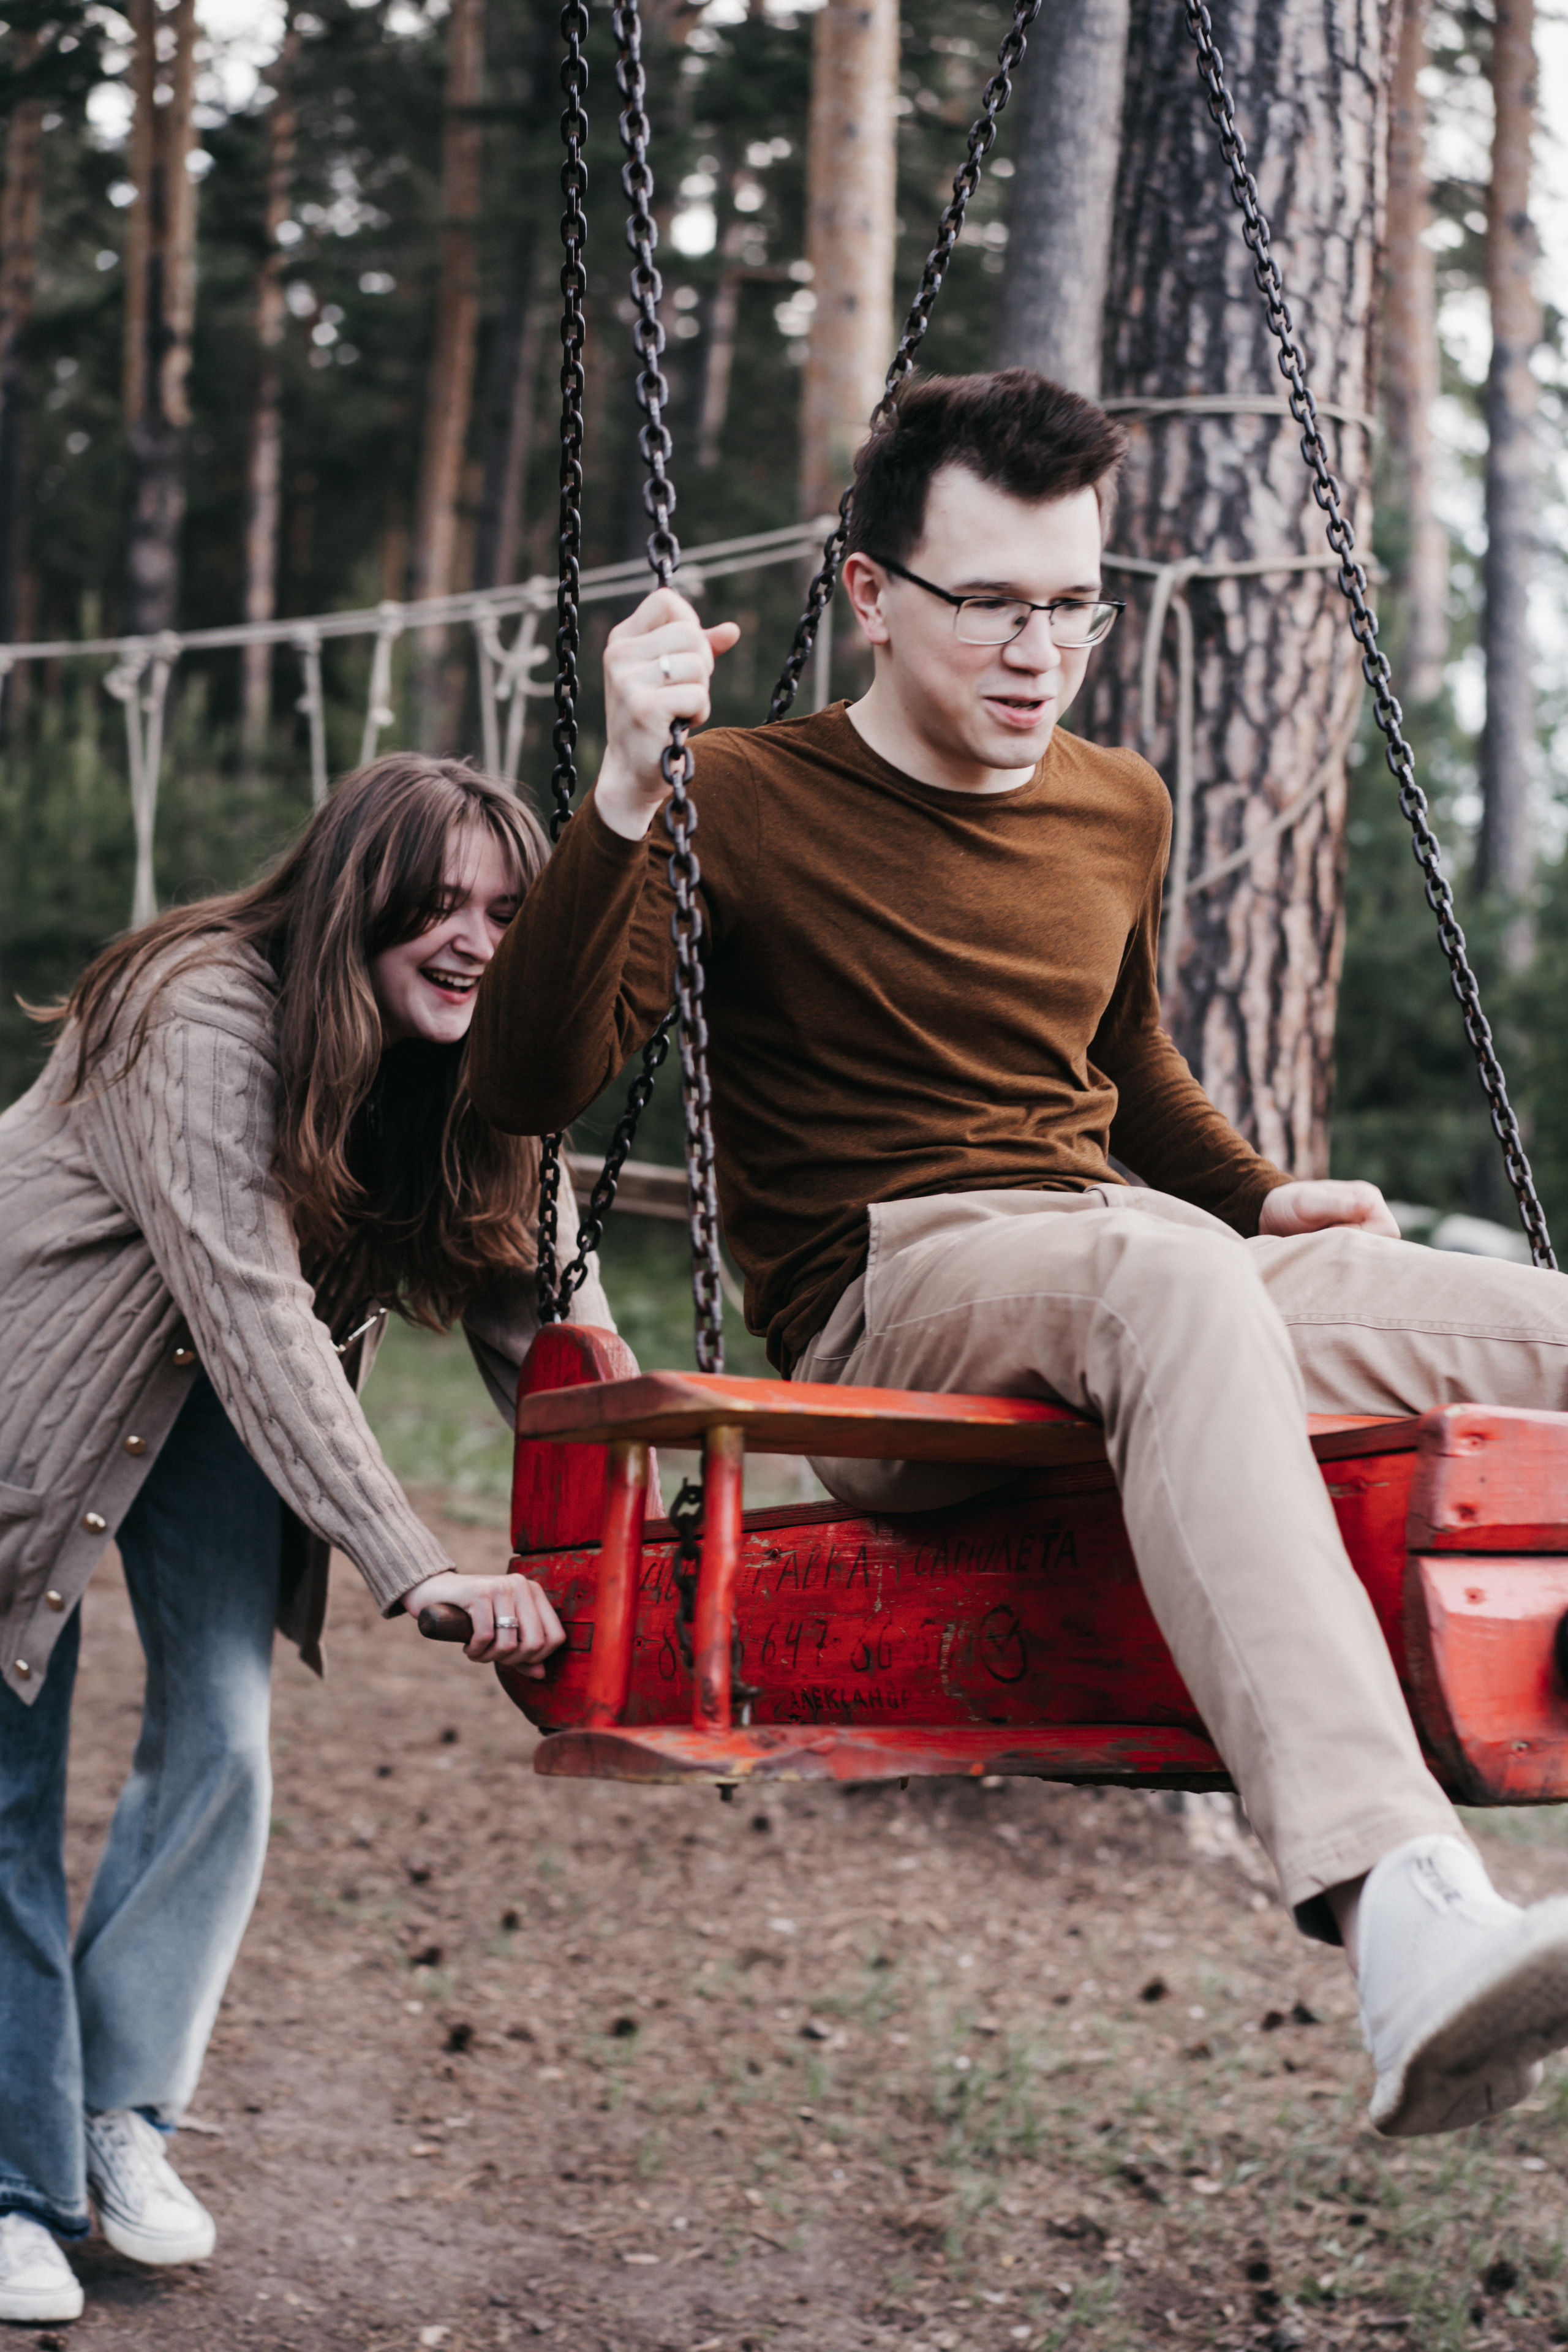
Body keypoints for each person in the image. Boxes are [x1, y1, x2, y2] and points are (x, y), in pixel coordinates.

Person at [470, 368, 1568, 2145]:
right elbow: (529, 1082)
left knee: (1543, 1329)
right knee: (1162, 1279)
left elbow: (1123, 1063)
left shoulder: (1114, 803)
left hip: (1140, 1258)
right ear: (870, 590)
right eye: (988, 602)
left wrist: (1258, 1195)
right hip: (892, 1299)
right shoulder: (733, 796)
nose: (1036, 652)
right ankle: (1403, 1916)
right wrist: (616, 790)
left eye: (1071, 606)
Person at [0, 755, 589, 2326]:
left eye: (506, 916)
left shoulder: (452, 1054)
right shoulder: (196, 1010)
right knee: (6, 1790)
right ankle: (11, 2185)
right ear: (351, 898)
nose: (473, 941)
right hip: (20, 1389)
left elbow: (539, 1299)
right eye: (439, 904)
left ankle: (117, 2113)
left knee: (225, 1736)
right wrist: (418, 1562)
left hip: (202, 1396)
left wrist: (656, 1515)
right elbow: (252, 1300)